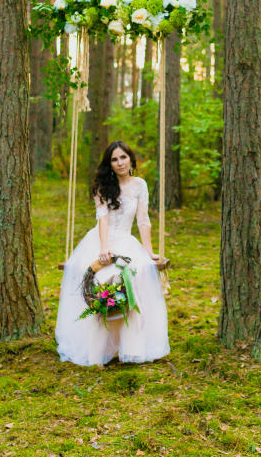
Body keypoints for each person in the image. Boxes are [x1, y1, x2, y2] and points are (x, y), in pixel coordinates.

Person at [55, 141, 170, 366]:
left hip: (128, 240)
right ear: (109, 164)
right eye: (114, 159)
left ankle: (131, 348)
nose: (119, 163)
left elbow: (143, 220)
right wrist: (104, 247)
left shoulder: (140, 185)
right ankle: (98, 348)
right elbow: (103, 219)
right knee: (100, 279)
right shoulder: (103, 186)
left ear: (131, 159)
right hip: (103, 239)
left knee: (134, 278)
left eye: (123, 157)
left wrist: (148, 251)